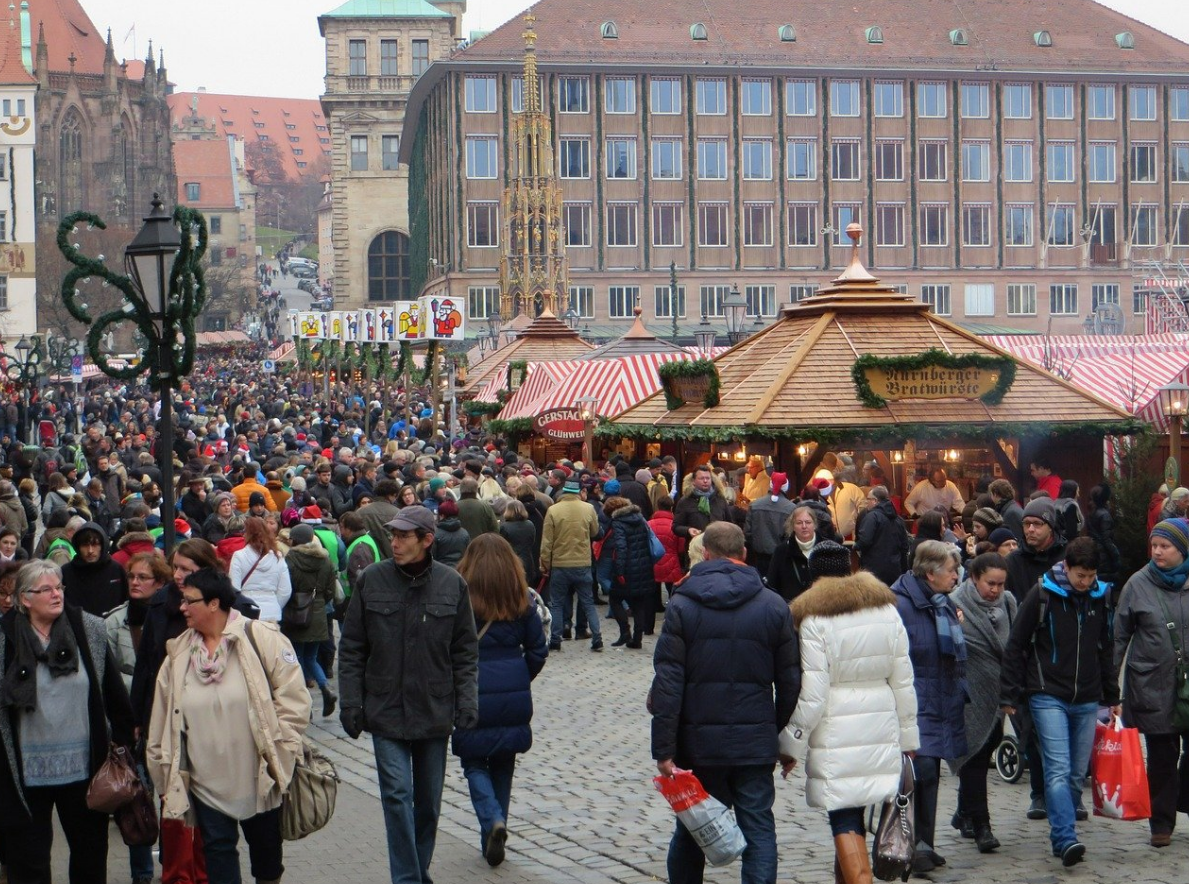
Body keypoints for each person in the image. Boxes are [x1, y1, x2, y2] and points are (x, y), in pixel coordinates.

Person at [651, 521, 800, 884]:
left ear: (705, 553)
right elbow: (791, 680)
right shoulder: (773, 604)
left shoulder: (683, 603)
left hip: (698, 743)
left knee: (691, 830)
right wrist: (775, 730)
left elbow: (668, 682)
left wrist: (664, 750)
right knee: (759, 829)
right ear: (744, 554)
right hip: (753, 743)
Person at [337, 504, 479, 884]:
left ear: (427, 540)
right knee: (397, 795)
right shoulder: (372, 580)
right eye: (393, 535)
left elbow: (465, 651)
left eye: (403, 536)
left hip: (434, 708)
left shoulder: (452, 584)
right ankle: (408, 878)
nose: (394, 542)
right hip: (385, 707)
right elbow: (351, 648)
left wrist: (467, 701)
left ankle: (419, 869)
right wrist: (351, 701)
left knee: (428, 804)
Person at [146, 568, 310, 884]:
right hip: (205, 781)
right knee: (218, 853)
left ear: (214, 604)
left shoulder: (260, 638)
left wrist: (283, 750)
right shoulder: (178, 653)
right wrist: (164, 773)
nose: (182, 608)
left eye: (189, 601)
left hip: (259, 776)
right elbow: (162, 719)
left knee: (267, 861)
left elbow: (295, 699)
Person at [0, 559, 135, 883]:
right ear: (24, 599)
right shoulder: (5, 638)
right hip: (26, 775)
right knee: (28, 863)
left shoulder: (87, 628)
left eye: (58, 587)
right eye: (45, 589)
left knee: (89, 859)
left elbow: (112, 694)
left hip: (84, 773)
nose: (56, 594)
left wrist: (125, 743)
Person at [779, 570, 918, 884]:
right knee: (862, 805)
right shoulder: (887, 612)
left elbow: (813, 694)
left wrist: (790, 744)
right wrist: (908, 737)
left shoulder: (814, 621)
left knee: (843, 813)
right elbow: (903, 681)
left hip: (836, 728)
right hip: (881, 723)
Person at [1001, 537, 1120, 868]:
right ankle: (1066, 837)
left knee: (1076, 773)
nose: (1085, 582)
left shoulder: (1102, 597)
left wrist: (1112, 695)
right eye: (1080, 575)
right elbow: (1016, 645)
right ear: (1066, 568)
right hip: (1047, 693)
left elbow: (1105, 647)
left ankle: (1062, 834)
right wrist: (1010, 693)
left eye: (1090, 576)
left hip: (1086, 697)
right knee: (1057, 768)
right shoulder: (1042, 594)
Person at [452, 534, 548, 866]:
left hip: (471, 687)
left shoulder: (459, 594)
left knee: (474, 760)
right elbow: (538, 649)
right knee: (504, 762)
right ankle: (495, 830)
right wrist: (522, 676)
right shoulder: (520, 599)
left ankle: (491, 819)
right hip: (512, 691)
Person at [891, 540, 967, 875]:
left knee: (931, 776)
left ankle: (926, 843)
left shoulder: (942, 602)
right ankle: (908, 846)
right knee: (916, 776)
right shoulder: (900, 604)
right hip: (914, 701)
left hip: (941, 697)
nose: (956, 576)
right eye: (951, 570)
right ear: (931, 573)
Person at [1113, 518, 1189, 847]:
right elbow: (1119, 637)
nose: (1157, 552)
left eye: (1165, 546)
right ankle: (1161, 822)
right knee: (1162, 753)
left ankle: (1182, 800)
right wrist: (1108, 689)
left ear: (1182, 550)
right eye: (1154, 545)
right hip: (1152, 683)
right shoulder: (1137, 584)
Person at [105, 551, 170, 884]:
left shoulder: (170, 616)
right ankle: (142, 874)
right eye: (131, 577)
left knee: (170, 800)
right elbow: (108, 671)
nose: (134, 582)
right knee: (137, 801)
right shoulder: (114, 621)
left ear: (160, 582)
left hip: (165, 719)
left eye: (143, 578)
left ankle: (172, 867)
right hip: (130, 722)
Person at [952, 552, 1017, 854]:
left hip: (998, 691)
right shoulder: (955, 604)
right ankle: (983, 826)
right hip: (968, 692)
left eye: (1001, 584)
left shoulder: (1009, 603)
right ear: (974, 578)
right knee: (975, 756)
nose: (995, 590)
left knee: (987, 745)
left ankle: (964, 812)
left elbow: (1016, 645)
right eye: (990, 583)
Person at [540, 477, 602, 653]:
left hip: (560, 564)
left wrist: (544, 564)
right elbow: (595, 532)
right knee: (588, 602)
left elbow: (547, 542)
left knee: (557, 604)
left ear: (564, 492)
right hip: (582, 562)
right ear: (578, 492)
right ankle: (597, 637)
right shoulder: (588, 508)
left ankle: (555, 639)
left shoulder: (553, 510)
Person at [283, 523, 338, 717]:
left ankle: (304, 701)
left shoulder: (291, 558)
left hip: (297, 612)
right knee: (311, 657)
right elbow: (331, 588)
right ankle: (325, 688)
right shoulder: (325, 559)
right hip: (319, 611)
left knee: (297, 658)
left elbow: (286, 588)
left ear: (295, 540)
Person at [597, 496, 656, 648]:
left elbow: (621, 547)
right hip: (644, 566)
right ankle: (637, 639)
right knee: (638, 604)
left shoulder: (618, 523)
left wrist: (619, 571)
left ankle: (625, 632)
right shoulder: (640, 518)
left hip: (628, 567)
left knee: (615, 599)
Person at [230, 515, 292, 623]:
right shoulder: (278, 557)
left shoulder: (239, 556)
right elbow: (285, 590)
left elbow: (234, 589)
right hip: (272, 613)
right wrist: (274, 605)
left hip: (246, 613)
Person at [61, 521, 128, 618]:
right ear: (78, 547)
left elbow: (125, 600)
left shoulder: (116, 569)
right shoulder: (67, 572)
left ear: (103, 545)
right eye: (85, 545)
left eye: (95, 545)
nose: (90, 551)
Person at [854, 485, 910, 585]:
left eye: (868, 499)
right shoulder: (898, 519)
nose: (867, 503)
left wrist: (856, 546)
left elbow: (865, 541)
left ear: (875, 501)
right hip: (895, 570)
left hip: (874, 570)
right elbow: (905, 545)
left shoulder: (871, 517)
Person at [767, 506, 824, 601]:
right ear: (793, 526)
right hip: (791, 610)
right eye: (799, 523)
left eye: (808, 522)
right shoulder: (781, 551)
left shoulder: (827, 549)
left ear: (814, 525)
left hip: (821, 609)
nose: (804, 526)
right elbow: (772, 585)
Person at [744, 471, 794, 577]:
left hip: (759, 556)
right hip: (782, 557)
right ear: (786, 487)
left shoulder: (754, 505)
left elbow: (748, 532)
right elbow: (791, 535)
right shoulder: (791, 508)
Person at [672, 465, 730, 544]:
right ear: (694, 481)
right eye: (701, 478)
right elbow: (676, 527)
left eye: (708, 478)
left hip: (719, 547)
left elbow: (730, 523)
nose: (705, 481)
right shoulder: (685, 501)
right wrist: (688, 530)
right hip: (695, 548)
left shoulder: (720, 499)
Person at [1086, 484, 1122, 592]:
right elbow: (1107, 539)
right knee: (1106, 587)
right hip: (1105, 556)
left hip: (1094, 550)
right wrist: (1116, 555)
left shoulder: (1092, 512)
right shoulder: (1104, 515)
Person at [499, 499, 539, 588]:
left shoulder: (504, 527)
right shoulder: (530, 524)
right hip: (528, 559)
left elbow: (502, 546)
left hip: (511, 561)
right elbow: (532, 541)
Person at [432, 497, 471, 568]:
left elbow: (432, 556)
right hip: (460, 569)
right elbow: (468, 555)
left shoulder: (436, 535)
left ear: (442, 516)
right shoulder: (464, 533)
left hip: (442, 571)